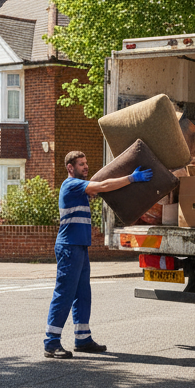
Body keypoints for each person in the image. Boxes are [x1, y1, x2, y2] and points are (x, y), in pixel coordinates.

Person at [44, 150, 152, 359]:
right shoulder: (71, 185)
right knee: (64, 294)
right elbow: (102, 186)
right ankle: (51, 342)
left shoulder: (80, 189)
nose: (86, 167)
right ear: (70, 168)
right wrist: (132, 178)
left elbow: (98, 189)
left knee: (83, 294)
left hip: (80, 247)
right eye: (81, 164)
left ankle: (82, 339)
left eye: (86, 163)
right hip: (69, 247)